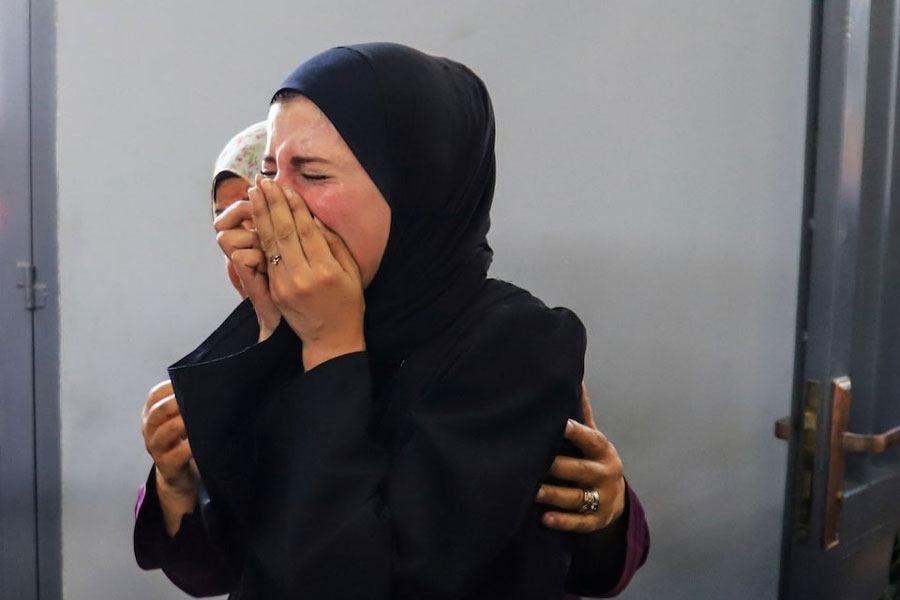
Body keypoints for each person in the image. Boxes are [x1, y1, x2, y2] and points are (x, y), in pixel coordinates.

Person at [135, 43, 648, 599]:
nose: (270, 204)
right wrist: (180, 485)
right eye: (268, 171)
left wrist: (330, 348)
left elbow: (362, 577)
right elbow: (231, 563)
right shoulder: (287, 321)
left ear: (413, 190)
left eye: (312, 174)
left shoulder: (515, 343)